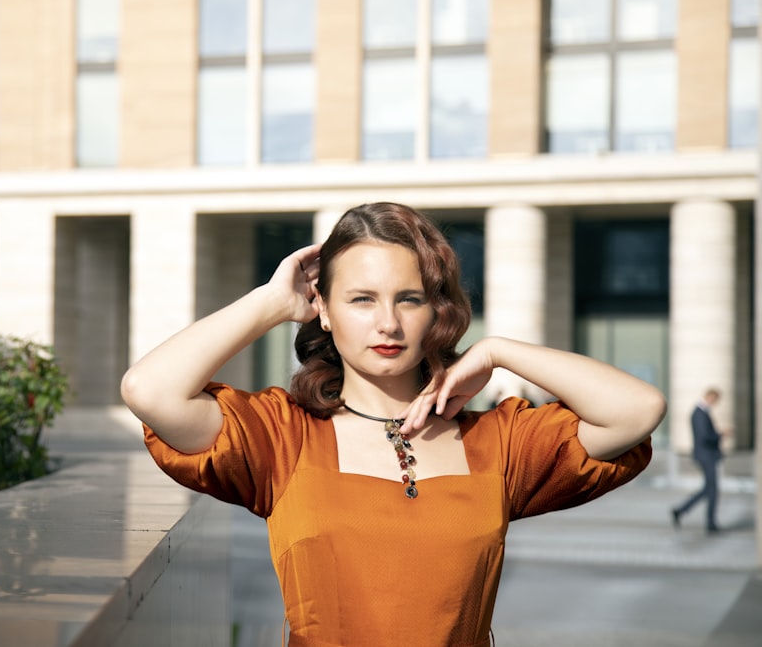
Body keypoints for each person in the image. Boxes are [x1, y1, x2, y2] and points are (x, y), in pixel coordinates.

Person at [121, 202, 666, 646]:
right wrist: (271, 302)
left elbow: (637, 411)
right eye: (362, 299)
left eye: (410, 299)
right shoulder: (281, 436)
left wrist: (499, 352)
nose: (388, 323)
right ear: (324, 311)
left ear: (437, 312)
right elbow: (149, 390)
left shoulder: (499, 439)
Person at [671, 388, 726, 533]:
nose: (715, 403)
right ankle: (710, 523)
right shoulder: (699, 413)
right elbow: (704, 436)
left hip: (706, 455)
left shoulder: (701, 412)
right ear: (709, 396)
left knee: (708, 489)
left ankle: (681, 511)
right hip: (705, 455)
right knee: (712, 490)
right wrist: (720, 435)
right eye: (715, 400)